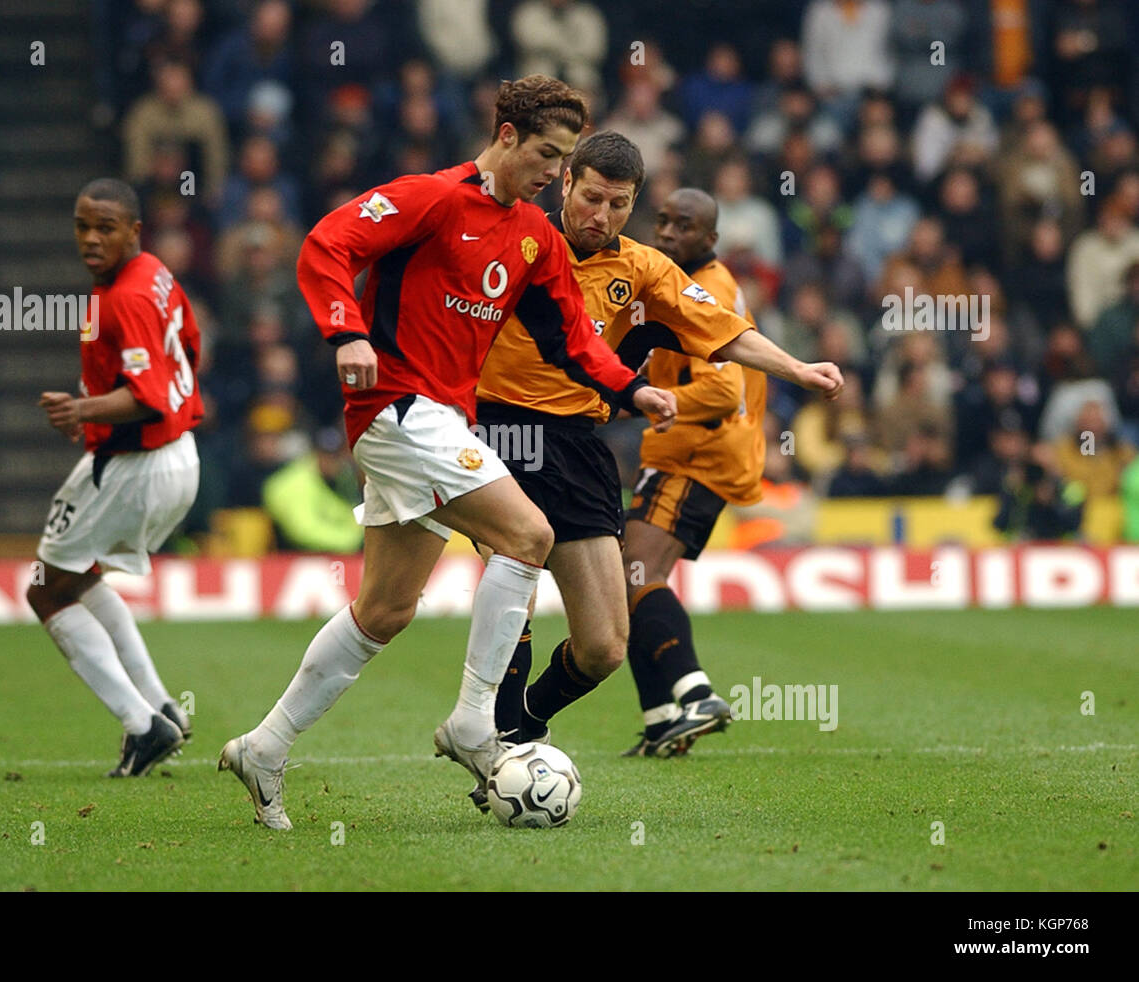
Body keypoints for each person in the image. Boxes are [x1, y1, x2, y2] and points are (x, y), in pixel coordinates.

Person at [218, 76, 679, 830]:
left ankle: (265, 746)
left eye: (563, 161)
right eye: (545, 155)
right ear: (503, 136)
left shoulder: (531, 234)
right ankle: (474, 722)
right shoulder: (431, 199)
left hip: (440, 423)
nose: (553, 174)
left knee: (386, 610)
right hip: (398, 407)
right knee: (529, 535)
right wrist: (347, 332)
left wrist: (630, 391)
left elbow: (573, 338)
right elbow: (327, 245)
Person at [473, 143, 843, 805]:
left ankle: (525, 723)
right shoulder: (516, 239)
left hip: (581, 443)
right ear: (564, 185)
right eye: (591, 197)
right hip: (502, 433)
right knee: (517, 575)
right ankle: (499, 742)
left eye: (619, 204)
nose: (602, 214)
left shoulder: (643, 269)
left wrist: (801, 370)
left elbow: (725, 332)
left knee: (605, 646)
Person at [26, 178, 202, 779]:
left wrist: (83, 410)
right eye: (81, 226)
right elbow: (189, 350)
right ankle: (161, 709)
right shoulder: (155, 272)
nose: (91, 239)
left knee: (45, 590)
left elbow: (149, 396)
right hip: (180, 454)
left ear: (134, 231)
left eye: (105, 227)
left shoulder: (122, 297)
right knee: (81, 575)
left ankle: (142, 725)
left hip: (136, 463)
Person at [622, 188, 766, 757]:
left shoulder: (710, 288)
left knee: (635, 574)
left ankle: (697, 694)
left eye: (684, 227)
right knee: (628, 580)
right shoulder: (674, 280)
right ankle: (662, 720)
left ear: (709, 239)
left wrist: (655, 400)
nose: (667, 234)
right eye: (662, 222)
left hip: (698, 455)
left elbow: (723, 387)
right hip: (688, 455)